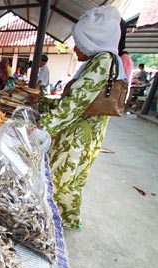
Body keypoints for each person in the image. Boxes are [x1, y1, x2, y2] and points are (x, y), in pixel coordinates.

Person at [38, 6, 125, 230]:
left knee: (61, 178)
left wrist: (42, 126)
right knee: (71, 179)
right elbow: (76, 99)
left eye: (80, 42)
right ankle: (66, 220)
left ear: (93, 40)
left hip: (79, 137)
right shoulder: (101, 61)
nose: (76, 48)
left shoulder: (103, 61)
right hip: (86, 133)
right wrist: (43, 103)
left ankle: (55, 225)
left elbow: (74, 104)